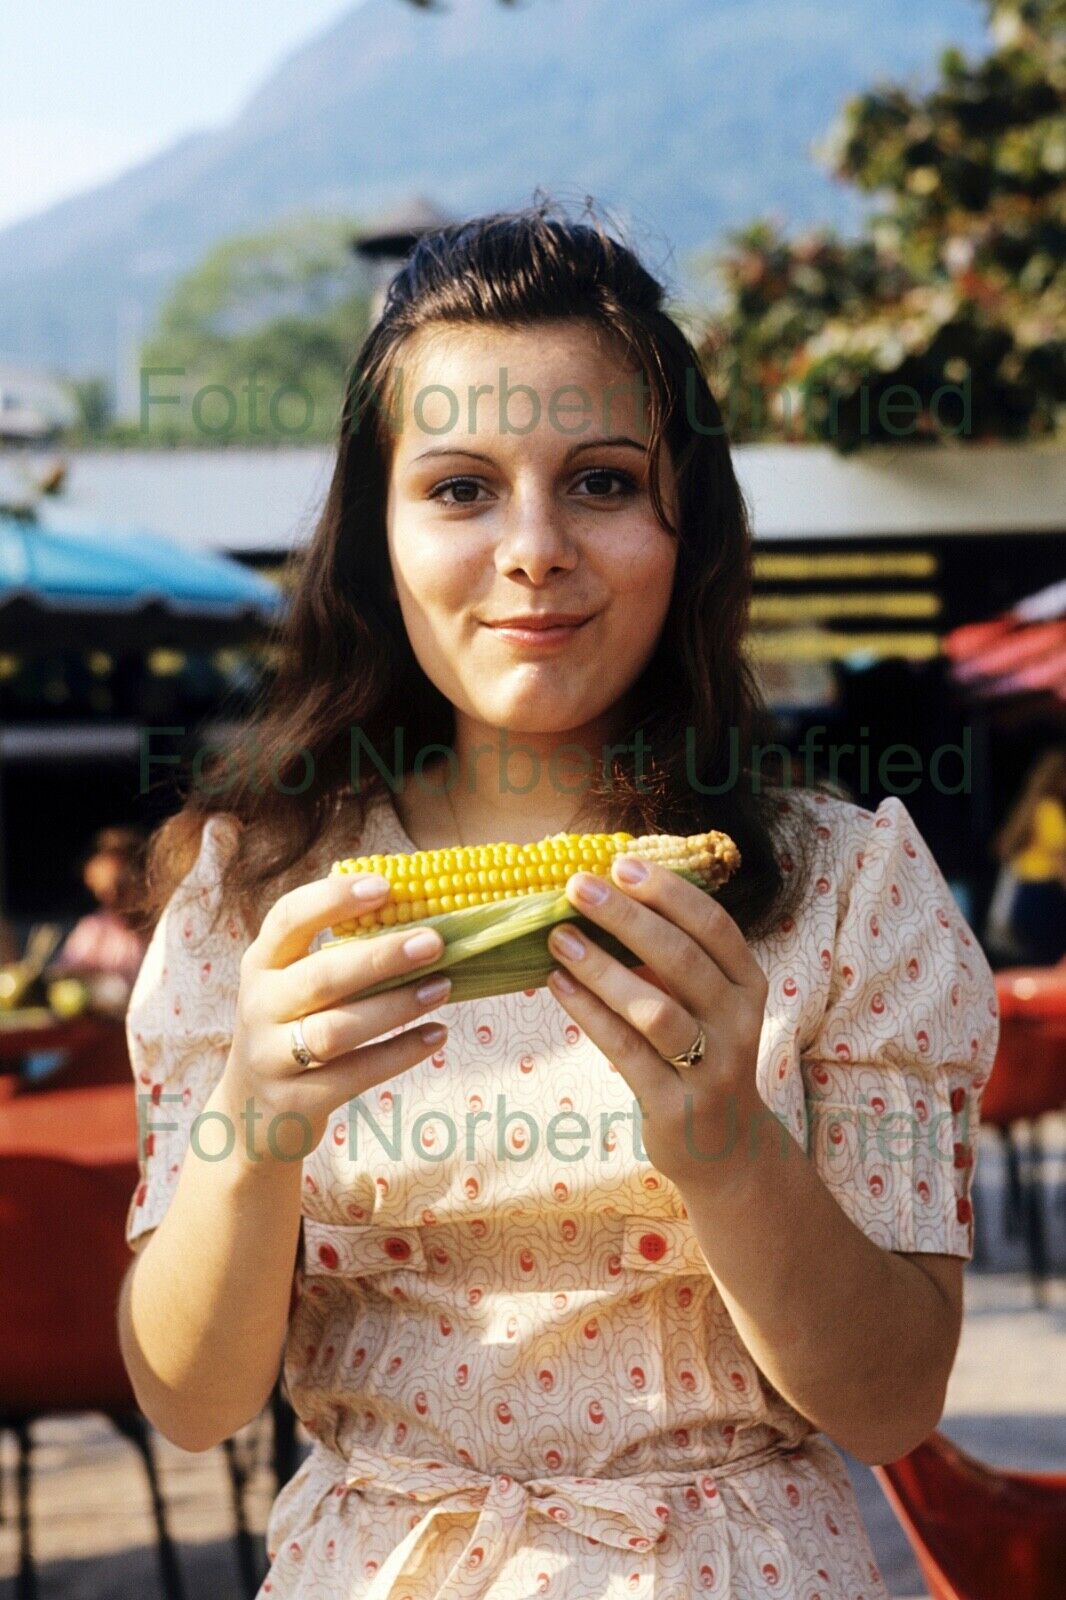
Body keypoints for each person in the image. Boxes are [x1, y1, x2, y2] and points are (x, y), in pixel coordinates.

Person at [116, 202, 999, 1600]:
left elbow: (887, 1404)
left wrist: (721, 1140)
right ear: (378, 538)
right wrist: (254, 1126)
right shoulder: (253, 895)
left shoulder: (847, 889)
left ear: (685, 524)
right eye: (460, 487)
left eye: (598, 480)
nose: (533, 547)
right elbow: (185, 1399)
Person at [50, 826, 150, 1001]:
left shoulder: (166, 928)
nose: (111, 899)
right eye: (102, 892)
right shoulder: (94, 930)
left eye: (121, 887)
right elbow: (62, 976)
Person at [987, 750, 1066, 968]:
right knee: (1047, 962)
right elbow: (1060, 859)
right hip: (1044, 894)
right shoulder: (1050, 809)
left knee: (1031, 959)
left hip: (1024, 895)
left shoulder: (1031, 809)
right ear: (1057, 776)